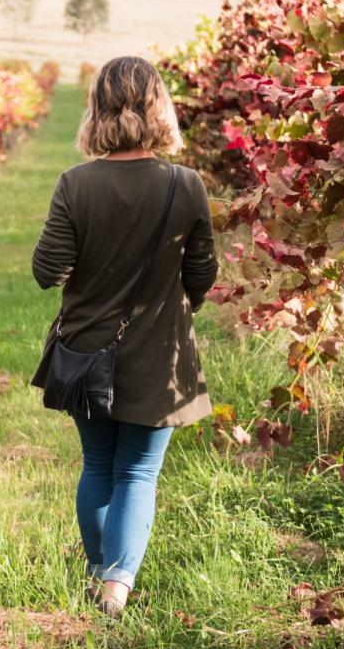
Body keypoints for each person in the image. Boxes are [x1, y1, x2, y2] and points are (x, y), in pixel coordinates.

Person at [31, 56, 218, 618]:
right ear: (158, 107)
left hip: (86, 349)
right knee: (137, 470)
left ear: (98, 109)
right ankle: (117, 584)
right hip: (161, 356)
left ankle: (99, 569)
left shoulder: (76, 184)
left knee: (97, 465)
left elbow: (48, 271)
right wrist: (174, 309)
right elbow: (203, 273)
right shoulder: (185, 185)